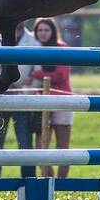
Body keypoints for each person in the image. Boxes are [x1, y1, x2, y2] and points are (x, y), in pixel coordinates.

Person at [0, 23, 40, 179]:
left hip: (22, 97)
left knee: (25, 141)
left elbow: (37, 69)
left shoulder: (33, 42)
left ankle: (28, 178)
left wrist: (28, 84)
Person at [29, 18, 73, 178]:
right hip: (42, 101)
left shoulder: (62, 48)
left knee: (62, 147)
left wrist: (36, 74)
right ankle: (49, 181)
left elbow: (61, 75)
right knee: (41, 145)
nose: (43, 33)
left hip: (63, 101)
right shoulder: (33, 49)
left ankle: (62, 183)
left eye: (46, 30)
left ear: (53, 31)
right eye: (39, 30)